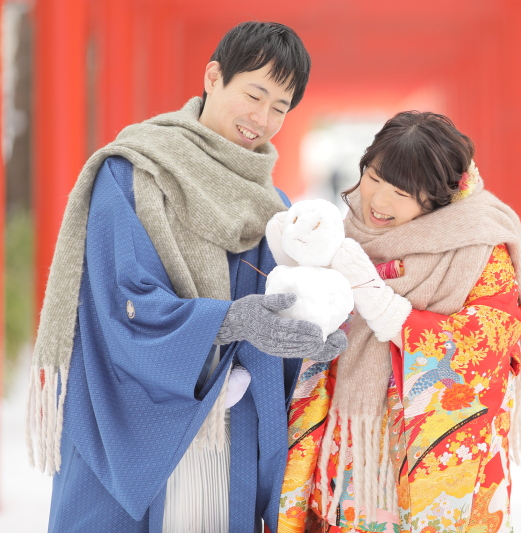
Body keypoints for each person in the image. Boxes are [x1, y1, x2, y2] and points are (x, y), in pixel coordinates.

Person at [27, 21, 347, 533]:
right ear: (213, 77)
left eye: (280, 107)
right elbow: (120, 301)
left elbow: (279, 312)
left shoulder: (275, 209)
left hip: (228, 440)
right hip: (136, 423)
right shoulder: (133, 173)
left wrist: (313, 335)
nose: (261, 119)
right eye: (254, 95)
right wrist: (227, 320)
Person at [275, 111, 521, 533]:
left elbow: (488, 341)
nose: (379, 202)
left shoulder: (479, 245)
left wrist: (389, 312)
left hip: (426, 457)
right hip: (348, 450)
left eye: (401, 193)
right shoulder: (345, 235)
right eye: (374, 178)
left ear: (438, 198)